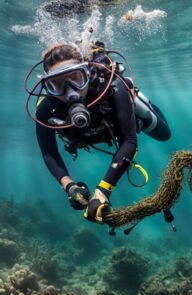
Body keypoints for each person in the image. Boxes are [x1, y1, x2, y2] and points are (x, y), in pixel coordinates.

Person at [30, 43, 170, 222]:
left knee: (164, 134)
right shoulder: (46, 109)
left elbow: (129, 140)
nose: (70, 91)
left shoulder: (112, 89)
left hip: (124, 121)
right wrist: (70, 186)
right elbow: (48, 152)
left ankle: (137, 101)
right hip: (99, 132)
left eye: (76, 78)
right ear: (47, 86)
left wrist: (103, 191)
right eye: (57, 84)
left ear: (87, 73)